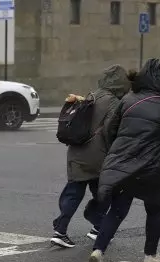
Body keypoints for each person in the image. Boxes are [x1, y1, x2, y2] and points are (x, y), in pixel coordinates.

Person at [89, 58, 160, 262]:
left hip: (124, 165)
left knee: (116, 210)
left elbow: (109, 130)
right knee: (154, 209)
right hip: (153, 169)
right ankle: (150, 255)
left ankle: (98, 250)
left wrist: (118, 151)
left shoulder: (127, 100)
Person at [51, 65, 133, 248]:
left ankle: (62, 229)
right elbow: (112, 130)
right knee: (104, 192)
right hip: (96, 156)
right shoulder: (113, 102)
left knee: (74, 192)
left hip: (76, 151)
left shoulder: (91, 95)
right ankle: (96, 227)